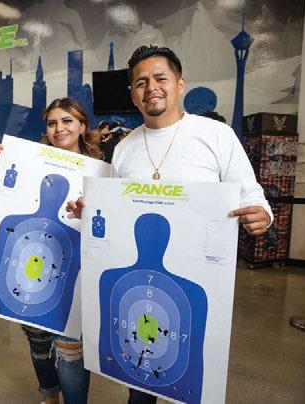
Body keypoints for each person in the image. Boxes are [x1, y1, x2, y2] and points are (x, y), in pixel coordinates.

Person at [67, 45, 272, 404]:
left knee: (192, 370)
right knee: (141, 369)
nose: (151, 88)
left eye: (160, 78)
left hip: (198, 278)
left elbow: (251, 193)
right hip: (141, 276)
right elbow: (117, 210)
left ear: (179, 84)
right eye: (141, 82)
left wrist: (262, 214)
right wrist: (93, 210)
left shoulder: (215, 135)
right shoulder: (126, 147)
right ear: (133, 94)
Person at [0, 98, 102, 404]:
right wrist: (0, 166)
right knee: (38, 344)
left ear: (82, 126)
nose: (59, 128)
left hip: (75, 271)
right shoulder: (30, 164)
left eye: (67, 121)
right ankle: (49, 395)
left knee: (70, 350)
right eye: (52, 123)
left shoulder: (102, 172)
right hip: (32, 265)